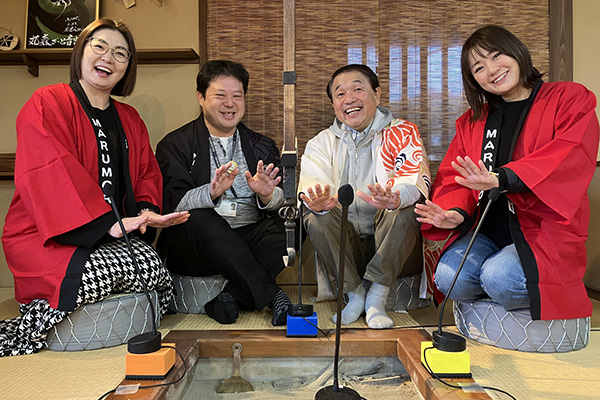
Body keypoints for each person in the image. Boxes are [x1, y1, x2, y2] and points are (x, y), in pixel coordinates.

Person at [0, 18, 189, 357]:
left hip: (113, 235)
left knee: (153, 267)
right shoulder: (48, 101)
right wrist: (107, 225)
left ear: (127, 67)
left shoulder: (130, 118)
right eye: (99, 46)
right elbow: (49, 171)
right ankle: (30, 326)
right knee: (92, 274)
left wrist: (145, 214)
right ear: (81, 51)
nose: (108, 58)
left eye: (120, 53)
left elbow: (146, 174)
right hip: (47, 234)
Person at [415, 25, 599, 322]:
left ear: (516, 51)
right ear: (473, 80)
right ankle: (509, 289)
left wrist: (503, 178)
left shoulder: (568, 98)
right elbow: (454, 176)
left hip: (544, 230)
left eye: (496, 55)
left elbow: (571, 152)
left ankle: (513, 286)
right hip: (488, 230)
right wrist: (454, 213)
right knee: (449, 277)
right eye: (479, 67)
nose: (491, 70)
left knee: (500, 278)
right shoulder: (473, 121)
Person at [155, 60, 292, 326]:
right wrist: (210, 193)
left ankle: (230, 297)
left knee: (295, 223)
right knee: (197, 216)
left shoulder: (261, 146)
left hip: (248, 238)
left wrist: (267, 196)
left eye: (237, 96)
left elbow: (284, 201)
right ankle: (272, 295)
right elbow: (172, 204)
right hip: (198, 249)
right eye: (220, 95)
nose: (230, 103)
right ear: (201, 97)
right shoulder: (175, 144)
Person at [298, 64, 431, 329]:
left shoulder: (402, 132)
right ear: (334, 105)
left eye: (358, 89)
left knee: (405, 207)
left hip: (391, 244)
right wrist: (318, 203)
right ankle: (355, 294)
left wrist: (396, 197)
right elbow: (313, 188)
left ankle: (377, 297)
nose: (349, 99)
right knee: (315, 216)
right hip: (346, 250)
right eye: (340, 94)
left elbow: (413, 181)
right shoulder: (321, 143)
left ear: (377, 94)